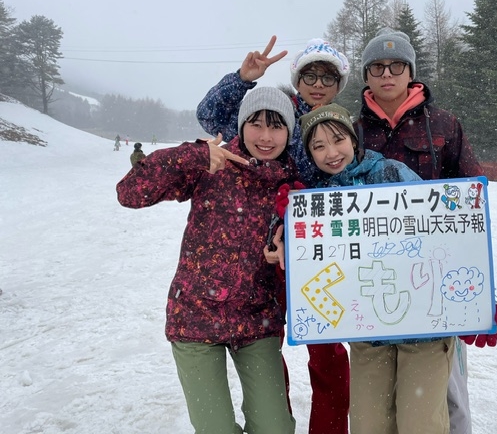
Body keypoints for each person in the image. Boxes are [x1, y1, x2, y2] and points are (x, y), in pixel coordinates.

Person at [117, 87, 297, 434]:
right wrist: (194, 155)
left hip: (256, 320)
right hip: (195, 318)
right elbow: (130, 193)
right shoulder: (213, 163)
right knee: (215, 428)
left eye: (276, 126)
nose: (265, 136)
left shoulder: (291, 181)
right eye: (255, 124)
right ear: (241, 125)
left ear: (288, 132)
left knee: (275, 427)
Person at [356, 27, 497, 434]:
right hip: (372, 287)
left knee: (439, 406)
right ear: (366, 75)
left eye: (397, 65)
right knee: (373, 416)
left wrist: (480, 289)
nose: (387, 74)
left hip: (433, 286)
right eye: (377, 67)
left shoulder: (443, 124)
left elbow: (474, 202)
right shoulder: (351, 132)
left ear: (411, 72)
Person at [196, 36, 350, 434]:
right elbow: (210, 115)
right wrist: (242, 79)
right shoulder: (273, 115)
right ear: (297, 79)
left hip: (322, 256)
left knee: (329, 354)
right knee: (268, 351)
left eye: (328, 77)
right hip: (266, 257)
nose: (318, 84)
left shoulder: (346, 127)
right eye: (309, 74)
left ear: (339, 85)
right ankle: (272, 421)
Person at [297, 103, 454, 434]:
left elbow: (444, 232)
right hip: (369, 332)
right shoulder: (318, 200)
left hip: (423, 326)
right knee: (369, 424)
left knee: (419, 423)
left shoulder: (391, 172)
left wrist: (474, 302)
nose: (331, 153)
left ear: (354, 141)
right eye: (318, 146)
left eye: (337, 140)